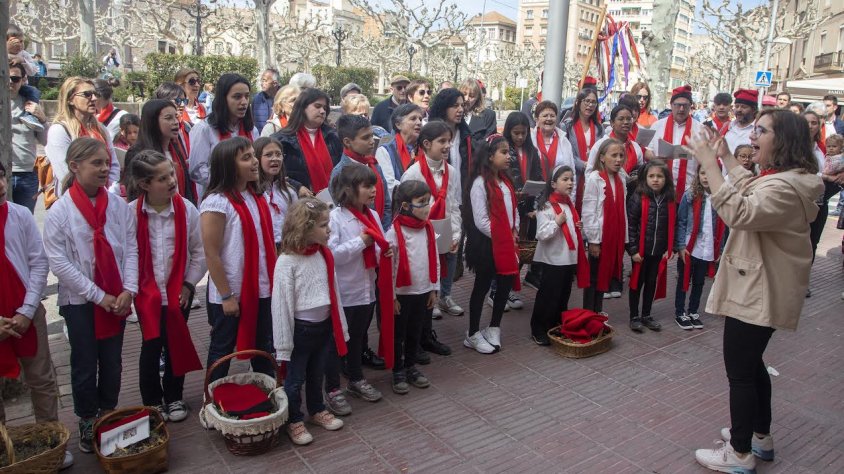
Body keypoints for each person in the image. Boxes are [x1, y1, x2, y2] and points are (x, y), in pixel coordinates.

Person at [686, 110, 822, 474]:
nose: (753, 137)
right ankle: (759, 436)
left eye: (761, 131)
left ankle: (740, 453)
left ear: (784, 140)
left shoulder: (785, 187)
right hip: (761, 287)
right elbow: (750, 186)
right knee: (752, 365)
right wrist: (724, 156)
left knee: (741, 372)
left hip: (758, 292)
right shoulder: (788, 179)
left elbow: (740, 212)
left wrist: (709, 166)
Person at [43, 138, 138, 454]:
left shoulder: (118, 206)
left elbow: (131, 248)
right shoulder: (60, 212)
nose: (105, 169)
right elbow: (60, 264)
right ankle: (86, 417)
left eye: (107, 162)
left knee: (112, 361)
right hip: (82, 301)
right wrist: (99, 296)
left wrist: (129, 289)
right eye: (96, 163)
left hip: (116, 296)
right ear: (74, 166)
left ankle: (108, 410)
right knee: (84, 362)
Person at [0, 161, 74, 469]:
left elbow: (38, 262)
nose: (1, 185)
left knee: (42, 378)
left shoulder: (19, 216)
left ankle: (49, 439)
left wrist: (28, 310)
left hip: (26, 314)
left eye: (1, 177)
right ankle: (4, 448)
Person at [127, 150, 205, 423]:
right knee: (150, 348)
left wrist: (188, 283)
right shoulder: (131, 214)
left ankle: (174, 396)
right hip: (147, 294)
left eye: (171, 173)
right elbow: (127, 255)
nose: (172, 181)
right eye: (162, 178)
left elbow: (199, 253)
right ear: (145, 185)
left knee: (175, 344)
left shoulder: (187, 210)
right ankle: (151, 401)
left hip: (178, 293)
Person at [271, 198, 347, 446]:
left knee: (317, 374)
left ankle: (316, 409)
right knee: (294, 379)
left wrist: (340, 327)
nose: (329, 230)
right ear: (305, 227)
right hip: (300, 332)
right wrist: (283, 345)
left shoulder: (324, 255)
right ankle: (294, 419)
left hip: (323, 327)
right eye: (324, 225)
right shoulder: (287, 262)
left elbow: (333, 292)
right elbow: (281, 305)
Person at [199, 137, 276, 382]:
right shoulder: (217, 202)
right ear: (228, 166)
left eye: (253, 156)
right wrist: (226, 295)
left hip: (261, 286)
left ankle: (267, 393)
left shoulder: (257, 196)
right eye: (246, 158)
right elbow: (212, 253)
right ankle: (211, 399)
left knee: (263, 345)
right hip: (231, 291)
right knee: (223, 347)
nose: (255, 162)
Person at [328, 165, 392, 403]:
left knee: (358, 337)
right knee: (337, 342)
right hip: (346, 292)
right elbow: (331, 255)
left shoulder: (372, 215)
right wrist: (361, 243)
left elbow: (376, 248)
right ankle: (333, 389)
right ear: (348, 190)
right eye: (367, 186)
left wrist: (383, 252)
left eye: (374, 185)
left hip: (367, 290)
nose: (373, 190)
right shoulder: (335, 218)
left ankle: (355, 379)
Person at [462, 135, 519, 354]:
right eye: (503, 152)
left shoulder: (506, 181)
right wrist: (503, 236)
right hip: (488, 245)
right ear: (489, 156)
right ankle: (473, 332)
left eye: (509, 152)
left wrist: (513, 231)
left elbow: (513, 211)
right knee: (482, 286)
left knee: (504, 285)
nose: (508, 156)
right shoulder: (479, 183)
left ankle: (494, 326)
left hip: (506, 242)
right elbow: (481, 220)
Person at [401, 121, 464, 319]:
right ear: (427, 144)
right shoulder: (413, 173)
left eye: (449, 141)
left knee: (450, 258)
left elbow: (454, 204)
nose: (447, 146)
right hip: (422, 229)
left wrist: (456, 233)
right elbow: (405, 209)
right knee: (429, 263)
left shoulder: (451, 171)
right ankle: (432, 296)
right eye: (442, 141)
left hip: (445, 225)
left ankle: (445, 295)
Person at [385, 180, 438, 393]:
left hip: (422, 290)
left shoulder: (427, 229)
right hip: (402, 294)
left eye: (428, 201)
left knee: (415, 331)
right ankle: (398, 370)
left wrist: (434, 288)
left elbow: (434, 260)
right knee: (399, 334)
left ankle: (411, 367)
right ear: (406, 206)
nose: (427, 207)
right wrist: (392, 297)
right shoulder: (395, 232)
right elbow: (390, 267)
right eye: (421, 202)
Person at [529, 165, 589, 345]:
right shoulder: (546, 206)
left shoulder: (569, 204)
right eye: (565, 179)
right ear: (553, 184)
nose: (570, 182)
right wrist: (556, 222)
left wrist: (577, 227)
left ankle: (555, 324)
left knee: (563, 295)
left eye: (572, 179)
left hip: (568, 259)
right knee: (548, 295)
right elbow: (541, 234)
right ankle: (538, 328)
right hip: (553, 259)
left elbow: (569, 229)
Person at [45, 77, 121, 195]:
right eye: (87, 94)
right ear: (70, 99)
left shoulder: (101, 129)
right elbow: (65, 174)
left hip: (105, 197)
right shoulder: (59, 131)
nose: (94, 98)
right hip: (74, 199)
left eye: (95, 94)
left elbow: (114, 164)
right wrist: (91, 195)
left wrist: (109, 191)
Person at [674, 165, 727, 331]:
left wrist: (720, 249)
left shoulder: (719, 197)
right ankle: (680, 312)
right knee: (684, 280)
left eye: (709, 173)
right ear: (698, 174)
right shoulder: (690, 194)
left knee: (699, 281)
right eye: (702, 173)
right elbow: (681, 221)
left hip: (708, 246)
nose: (705, 177)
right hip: (691, 245)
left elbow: (723, 225)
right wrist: (681, 246)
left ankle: (693, 311)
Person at [626, 161, 675, 332]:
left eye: (659, 176)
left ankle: (646, 314)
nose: (655, 180)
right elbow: (630, 225)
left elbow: (672, 225)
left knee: (651, 282)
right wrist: (632, 250)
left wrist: (670, 248)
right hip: (641, 252)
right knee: (636, 283)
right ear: (645, 178)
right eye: (651, 176)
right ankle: (634, 316)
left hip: (657, 251)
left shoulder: (669, 200)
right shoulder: (638, 197)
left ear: (666, 179)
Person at [189, 73, 259, 191]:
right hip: (218, 195)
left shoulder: (252, 130)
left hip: (248, 193)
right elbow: (197, 170)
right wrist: (229, 182)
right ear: (223, 99)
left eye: (246, 96)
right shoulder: (205, 129)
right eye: (237, 97)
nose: (244, 102)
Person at [581, 139, 627, 313]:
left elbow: (621, 209)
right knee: (594, 277)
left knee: (605, 275)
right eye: (613, 155)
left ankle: (597, 311)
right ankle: (588, 312)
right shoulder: (595, 179)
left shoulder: (621, 177)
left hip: (614, 235)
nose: (618, 160)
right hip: (600, 237)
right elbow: (589, 210)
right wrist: (593, 240)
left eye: (621, 155)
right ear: (601, 157)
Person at [503, 112, 543, 303]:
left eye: (523, 133)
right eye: (516, 133)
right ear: (508, 131)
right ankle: (501, 289)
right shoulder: (503, 150)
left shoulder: (532, 151)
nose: (520, 137)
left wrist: (536, 203)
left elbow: (539, 177)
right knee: (508, 248)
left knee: (522, 248)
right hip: (509, 206)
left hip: (527, 207)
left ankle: (512, 286)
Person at [274, 88, 342, 193]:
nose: (322, 111)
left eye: (325, 108)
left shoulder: (334, 137)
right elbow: (275, 174)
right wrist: (297, 187)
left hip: (333, 200)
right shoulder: (281, 140)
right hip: (298, 202)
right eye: (317, 106)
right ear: (302, 108)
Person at [131, 99, 198, 205]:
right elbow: (135, 192)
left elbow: (187, 188)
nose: (176, 122)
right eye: (168, 118)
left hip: (180, 211)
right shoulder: (138, 154)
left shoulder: (176, 150)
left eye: (176, 117)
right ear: (153, 122)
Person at [330, 114, 392, 228]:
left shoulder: (373, 164)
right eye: (365, 138)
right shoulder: (340, 173)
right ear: (347, 142)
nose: (372, 141)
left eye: (372, 136)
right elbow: (342, 214)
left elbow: (387, 203)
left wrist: (385, 230)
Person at [648, 85, 704, 199]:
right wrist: (656, 158)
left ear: (690, 106)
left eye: (685, 105)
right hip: (660, 189)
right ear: (671, 105)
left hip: (689, 190)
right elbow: (647, 151)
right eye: (678, 105)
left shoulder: (700, 129)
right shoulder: (657, 126)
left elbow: (705, 159)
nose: (681, 109)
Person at [8, 61, 48, 213]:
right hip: (3, 172)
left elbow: (45, 141)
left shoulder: (31, 104)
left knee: (24, 223)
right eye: (7, 77)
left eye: (16, 79)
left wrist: (43, 119)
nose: (11, 82)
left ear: (23, 80)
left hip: (27, 174)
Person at [428, 88, 473, 202]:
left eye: (462, 105)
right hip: (439, 199)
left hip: (462, 200)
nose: (460, 110)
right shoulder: (430, 135)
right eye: (455, 106)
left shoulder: (466, 136)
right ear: (444, 108)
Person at [563, 88, 604, 213]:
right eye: (587, 101)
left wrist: (593, 163)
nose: (590, 105)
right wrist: (582, 164)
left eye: (593, 102)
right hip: (574, 174)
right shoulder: (567, 126)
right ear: (578, 102)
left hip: (593, 176)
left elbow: (602, 150)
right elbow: (566, 153)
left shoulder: (599, 128)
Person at [531, 101, 576, 204]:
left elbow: (572, 172)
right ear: (537, 119)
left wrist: (571, 200)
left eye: (552, 115)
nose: (549, 119)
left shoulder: (564, 142)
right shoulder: (530, 140)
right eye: (545, 116)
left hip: (559, 198)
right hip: (535, 197)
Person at [255, 137, 298, 246]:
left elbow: (297, 224)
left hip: (286, 248)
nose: (275, 158)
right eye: (268, 155)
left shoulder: (289, 192)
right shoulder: (252, 193)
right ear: (256, 158)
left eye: (278, 154)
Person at [375, 103, 424, 194]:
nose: (419, 122)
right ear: (398, 124)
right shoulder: (385, 151)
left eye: (420, 119)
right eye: (413, 119)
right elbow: (389, 186)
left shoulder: (425, 149)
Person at [722, 89, 758, 154]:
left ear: (754, 109)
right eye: (737, 106)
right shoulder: (729, 127)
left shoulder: (758, 130)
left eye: (743, 107)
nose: (739, 110)